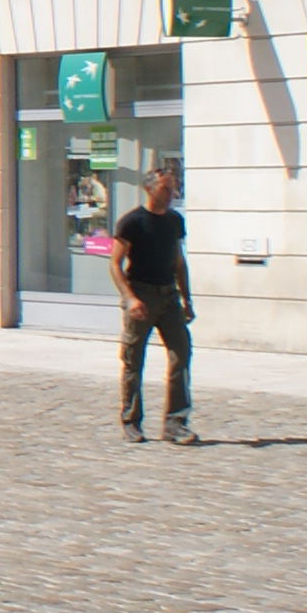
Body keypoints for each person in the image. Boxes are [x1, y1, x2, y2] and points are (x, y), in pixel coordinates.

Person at [113, 161, 200, 444]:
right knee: (133, 359)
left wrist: (186, 297)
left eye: (173, 187)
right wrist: (130, 298)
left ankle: (175, 423)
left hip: (169, 296)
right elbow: (115, 264)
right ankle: (131, 420)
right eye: (166, 187)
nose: (172, 192)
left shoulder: (175, 221)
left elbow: (178, 260)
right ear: (150, 189)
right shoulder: (132, 222)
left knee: (181, 354)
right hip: (141, 294)